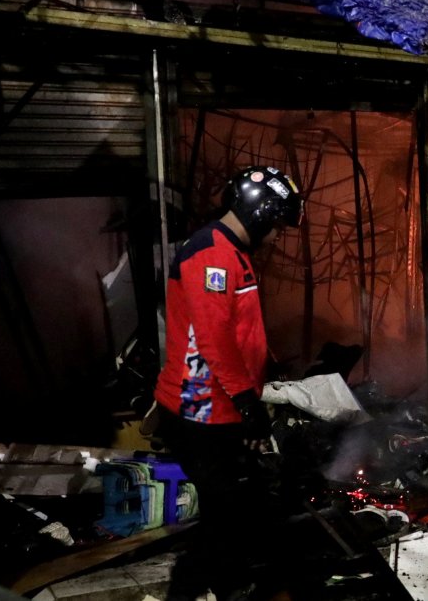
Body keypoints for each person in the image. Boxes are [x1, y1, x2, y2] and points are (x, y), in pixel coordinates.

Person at [153, 165, 303, 601]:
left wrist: (253, 394)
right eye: (276, 226)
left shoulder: (231, 252)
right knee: (224, 515)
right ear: (260, 213)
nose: (275, 236)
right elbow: (214, 340)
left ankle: (230, 585)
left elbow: (240, 333)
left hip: (220, 407)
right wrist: (248, 405)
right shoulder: (211, 254)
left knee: (239, 508)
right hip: (199, 409)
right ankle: (188, 592)